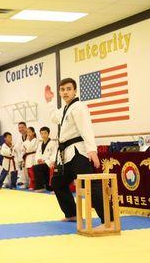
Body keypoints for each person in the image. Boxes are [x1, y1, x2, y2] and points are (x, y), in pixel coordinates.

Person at [46, 78, 109, 225]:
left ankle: (109, 220)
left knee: (90, 185)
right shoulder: (65, 109)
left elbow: (86, 128)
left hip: (78, 152)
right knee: (57, 182)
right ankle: (72, 213)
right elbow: (54, 117)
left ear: (75, 91)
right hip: (66, 154)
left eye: (68, 89)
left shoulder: (79, 106)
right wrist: (49, 101)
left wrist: (92, 150)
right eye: (62, 89)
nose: (65, 92)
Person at [33, 126, 58, 191]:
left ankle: (41, 187)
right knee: (36, 167)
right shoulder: (40, 143)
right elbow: (37, 154)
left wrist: (47, 161)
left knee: (37, 168)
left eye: (45, 133)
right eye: (42, 133)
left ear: (48, 134)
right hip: (42, 163)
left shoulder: (53, 143)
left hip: (49, 163)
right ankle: (40, 187)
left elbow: (54, 154)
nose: (43, 135)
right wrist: (38, 160)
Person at [14, 121, 29, 188]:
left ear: (26, 128)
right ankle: (25, 183)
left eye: (22, 127)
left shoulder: (30, 135)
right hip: (22, 157)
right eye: (19, 128)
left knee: (29, 171)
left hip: (29, 156)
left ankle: (31, 184)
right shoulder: (19, 138)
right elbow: (17, 148)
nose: (21, 129)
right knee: (23, 171)